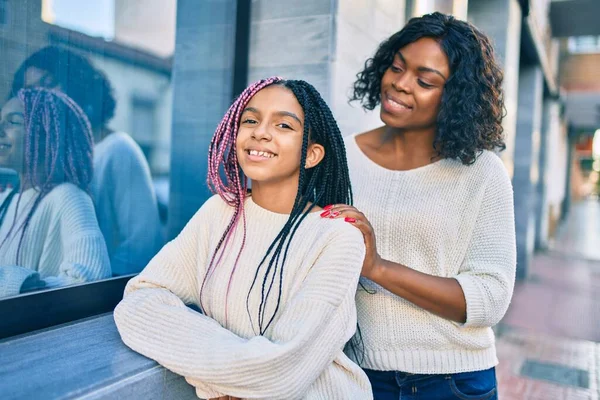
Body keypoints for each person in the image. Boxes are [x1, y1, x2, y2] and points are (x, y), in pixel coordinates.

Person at [114, 78, 373, 399]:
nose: (260, 132)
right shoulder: (220, 212)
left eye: (283, 125)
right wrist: (230, 378)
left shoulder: (338, 237)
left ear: (312, 154)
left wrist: (231, 376)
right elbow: (138, 301)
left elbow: (281, 374)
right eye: (250, 120)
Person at [322, 13, 516, 399]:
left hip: (452, 382)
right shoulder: (341, 154)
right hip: (355, 375)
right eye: (396, 67)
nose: (399, 84)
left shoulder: (482, 173)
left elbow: (490, 297)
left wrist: (377, 268)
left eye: (424, 81)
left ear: (456, 96)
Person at [11, 46, 163, 276]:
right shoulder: (48, 159)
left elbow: (141, 247)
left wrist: (92, 291)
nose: (41, 96)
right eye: (30, 90)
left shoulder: (117, 150)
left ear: (77, 84)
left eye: (49, 83)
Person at [0, 88, 110, 298]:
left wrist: (20, 286)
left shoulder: (69, 197)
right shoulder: (7, 200)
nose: (0, 129)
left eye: (13, 122)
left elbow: (91, 281)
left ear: (47, 134)